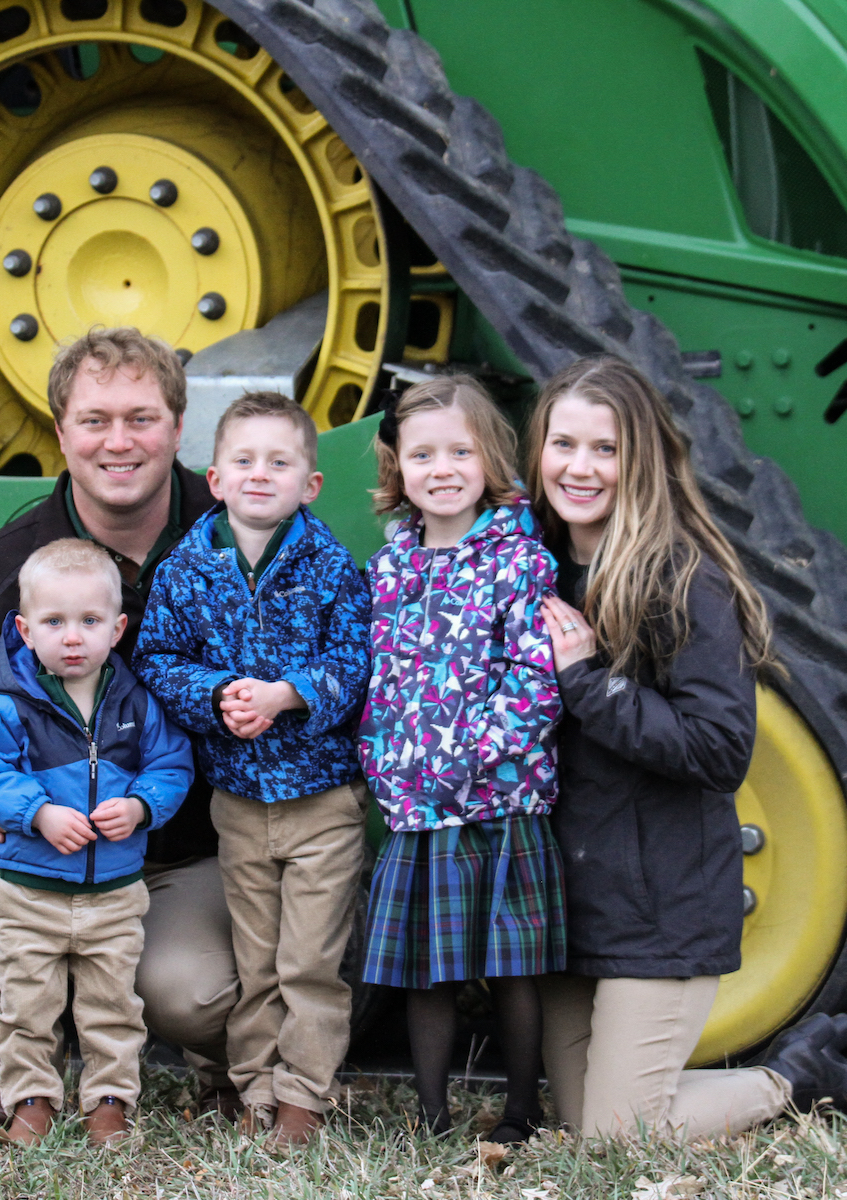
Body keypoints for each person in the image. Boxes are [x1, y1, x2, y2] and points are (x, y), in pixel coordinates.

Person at [526, 355, 847, 1141]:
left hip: (658, 905)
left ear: (644, 459)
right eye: (564, 444)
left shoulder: (680, 579)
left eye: (606, 448)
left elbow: (719, 748)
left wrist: (587, 680)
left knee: (616, 1141)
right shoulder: (529, 569)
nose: (580, 468)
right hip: (565, 903)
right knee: (579, 1116)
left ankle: (794, 1077)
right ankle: (674, 1087)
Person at [0, 327, 240, 1127]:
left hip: (184, 852)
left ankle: (223, 1068)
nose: (118, 442)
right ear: (61, 433)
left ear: (177, 427)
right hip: (41, 847)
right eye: (94, 420)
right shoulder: (5, 569)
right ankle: (6, 1075)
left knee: (190, 996)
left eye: (141, 418)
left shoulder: (236, 542)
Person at [134, 391, 373, 1150]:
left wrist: (288, 695)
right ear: (215, 478)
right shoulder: (187, 569)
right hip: (237, 804)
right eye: (244, 460)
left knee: (309, 961)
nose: (260, 474)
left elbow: (358, 664)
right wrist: (215, 695)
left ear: (310, 484)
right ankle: (255, 1090)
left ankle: (304, 1098)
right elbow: (156, 659)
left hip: (321, 801)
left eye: (280, 462)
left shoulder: (331, 566)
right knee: (255, 959)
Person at [356, 375, 564, 1144]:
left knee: (512, 965)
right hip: (416, 805)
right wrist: (381, 763)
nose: (441, 469)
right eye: (422, 455)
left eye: (459, 451)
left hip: (499, 800)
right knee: (428, 969)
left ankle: (520, 1110)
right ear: (397, 468)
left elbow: (535, 681)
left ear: (491, 458)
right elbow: (377, 684)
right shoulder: (389, 571)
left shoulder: (518, 559)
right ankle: (432, 1114)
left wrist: (476, 757)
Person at [0, 540, 194, 1147]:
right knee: (26, 1003)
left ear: (117, 629)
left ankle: (109, 1101)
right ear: (24, 629)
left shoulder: (137, 703)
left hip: (113, 893)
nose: (72, 637)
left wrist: (142, 804)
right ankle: (32, 1099)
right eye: (54, 622)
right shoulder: (8, 705)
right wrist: (36, 813)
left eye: (89, 622)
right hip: (27, 892)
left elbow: (172, 765)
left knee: (111, 1004)